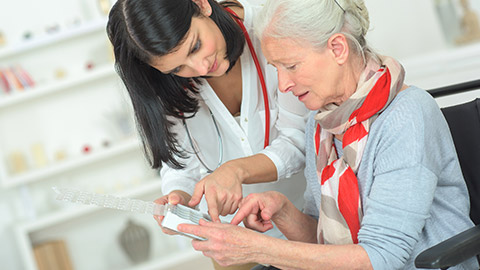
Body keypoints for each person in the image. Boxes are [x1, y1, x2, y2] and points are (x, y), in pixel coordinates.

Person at [175, 0, 479, 269]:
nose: (283, 85)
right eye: (276, 68)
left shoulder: (407, 115)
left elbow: (382, 257)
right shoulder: (321, 125)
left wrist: (258, 249)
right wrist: (282, 210)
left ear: (337, 48)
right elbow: (321, 237)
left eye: (291, 65)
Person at [106, 0, 308, 269]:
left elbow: (300, 140)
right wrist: (179, 195)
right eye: (177, 69)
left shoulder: (273, 30)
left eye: (196, 46)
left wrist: (235, 171)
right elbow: (181, 164)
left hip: (306, 224)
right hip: (233, 246)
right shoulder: (163, 82)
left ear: (201, 4)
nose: (200, 68)